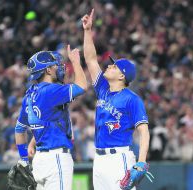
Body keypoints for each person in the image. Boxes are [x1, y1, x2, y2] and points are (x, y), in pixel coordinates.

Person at [82, 9, 152, 190]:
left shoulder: (132, 99)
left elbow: (144, 132)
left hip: (119, 158)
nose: (110, 66)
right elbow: (90, 59)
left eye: (114, 66)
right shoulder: (103, 89)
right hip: (99, 159)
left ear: (122, 76)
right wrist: (87, 32)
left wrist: (141, 161)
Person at [14, 45, 87, 190]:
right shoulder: (51, 90)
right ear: (47, 70)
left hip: (39, 160)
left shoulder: (30, 95)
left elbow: (19, 129)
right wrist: (76, 62)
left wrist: (23, 159)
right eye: (55, 65)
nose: (59, 67)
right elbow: (82, 86)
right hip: (57, 159)